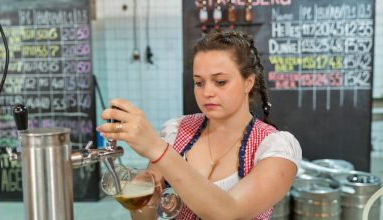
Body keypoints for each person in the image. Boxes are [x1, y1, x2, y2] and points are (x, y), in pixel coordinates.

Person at [97, 30, 302, 220]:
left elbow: (229, 212)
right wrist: (138, 196)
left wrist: (156, 149)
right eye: (199, 82)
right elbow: (145, 217)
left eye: (220, 82)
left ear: (248, 82)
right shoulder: (177, 132)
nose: (207, 92)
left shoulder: (275, 148)